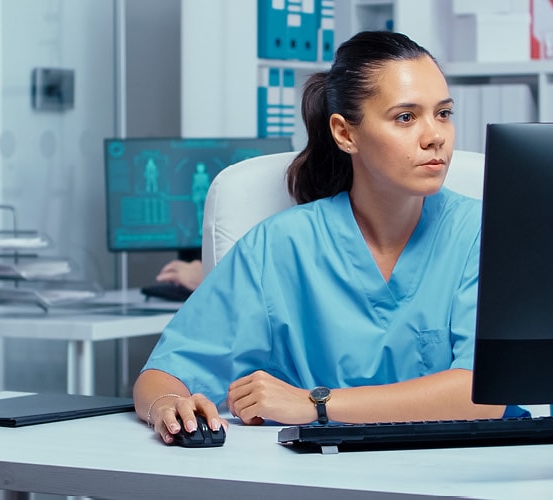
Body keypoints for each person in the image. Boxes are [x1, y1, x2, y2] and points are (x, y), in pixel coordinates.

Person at [132, 31, 521, 443]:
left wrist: (315, 404)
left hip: (463, 467)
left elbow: (484, 394)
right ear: (345, 133)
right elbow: (163, 373)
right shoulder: (279, 246)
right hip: (315, 475)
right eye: (406, 117)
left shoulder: (483, 233)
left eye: (443, 114)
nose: (435, 136)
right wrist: (168, 406)